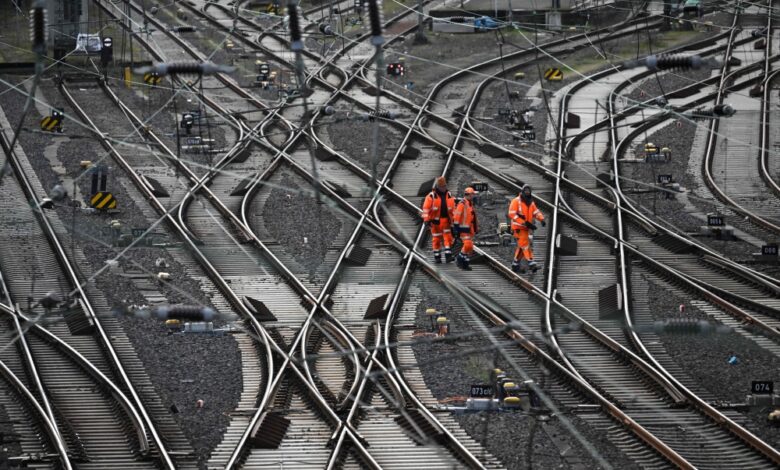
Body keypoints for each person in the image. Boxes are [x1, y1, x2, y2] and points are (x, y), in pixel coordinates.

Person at [508, 185, 545, 273]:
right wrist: (523, 222)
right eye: (526, 191)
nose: (527, 192)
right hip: (518, 227)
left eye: (529, 191)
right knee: (525, 244)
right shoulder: (516, 201)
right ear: (523, 191)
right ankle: (531, 262)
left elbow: (536, 212)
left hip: (525, 228)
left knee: (521, 246)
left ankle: (515, 264)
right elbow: (511, 214)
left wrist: (542, 219)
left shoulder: (530, 202)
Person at [421, 176, 456, 263]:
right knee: (436, 239)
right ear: (438, 187)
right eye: (442, 186)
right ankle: (437, 257)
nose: (444, 188)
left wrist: (454, 221)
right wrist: (426, 219)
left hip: (446, 221)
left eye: (445, 186)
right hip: (435, 222)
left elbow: (453, 209)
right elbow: (426, 208)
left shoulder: (449, 195)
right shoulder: (431, 196)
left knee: (448, 238)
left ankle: (448, 256)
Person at [453, 187, 479, 271]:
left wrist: (475, 228)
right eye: (472, 194)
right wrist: (456, 228)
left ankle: (465, 264)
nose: (473, 196)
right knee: (467, 245)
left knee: (469, 247)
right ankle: (459, 259)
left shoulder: (469, 203)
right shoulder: (462, 203)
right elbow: (457, 216)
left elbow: (472, 217)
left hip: (468, 229)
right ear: (469, 194)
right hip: (463, 229)